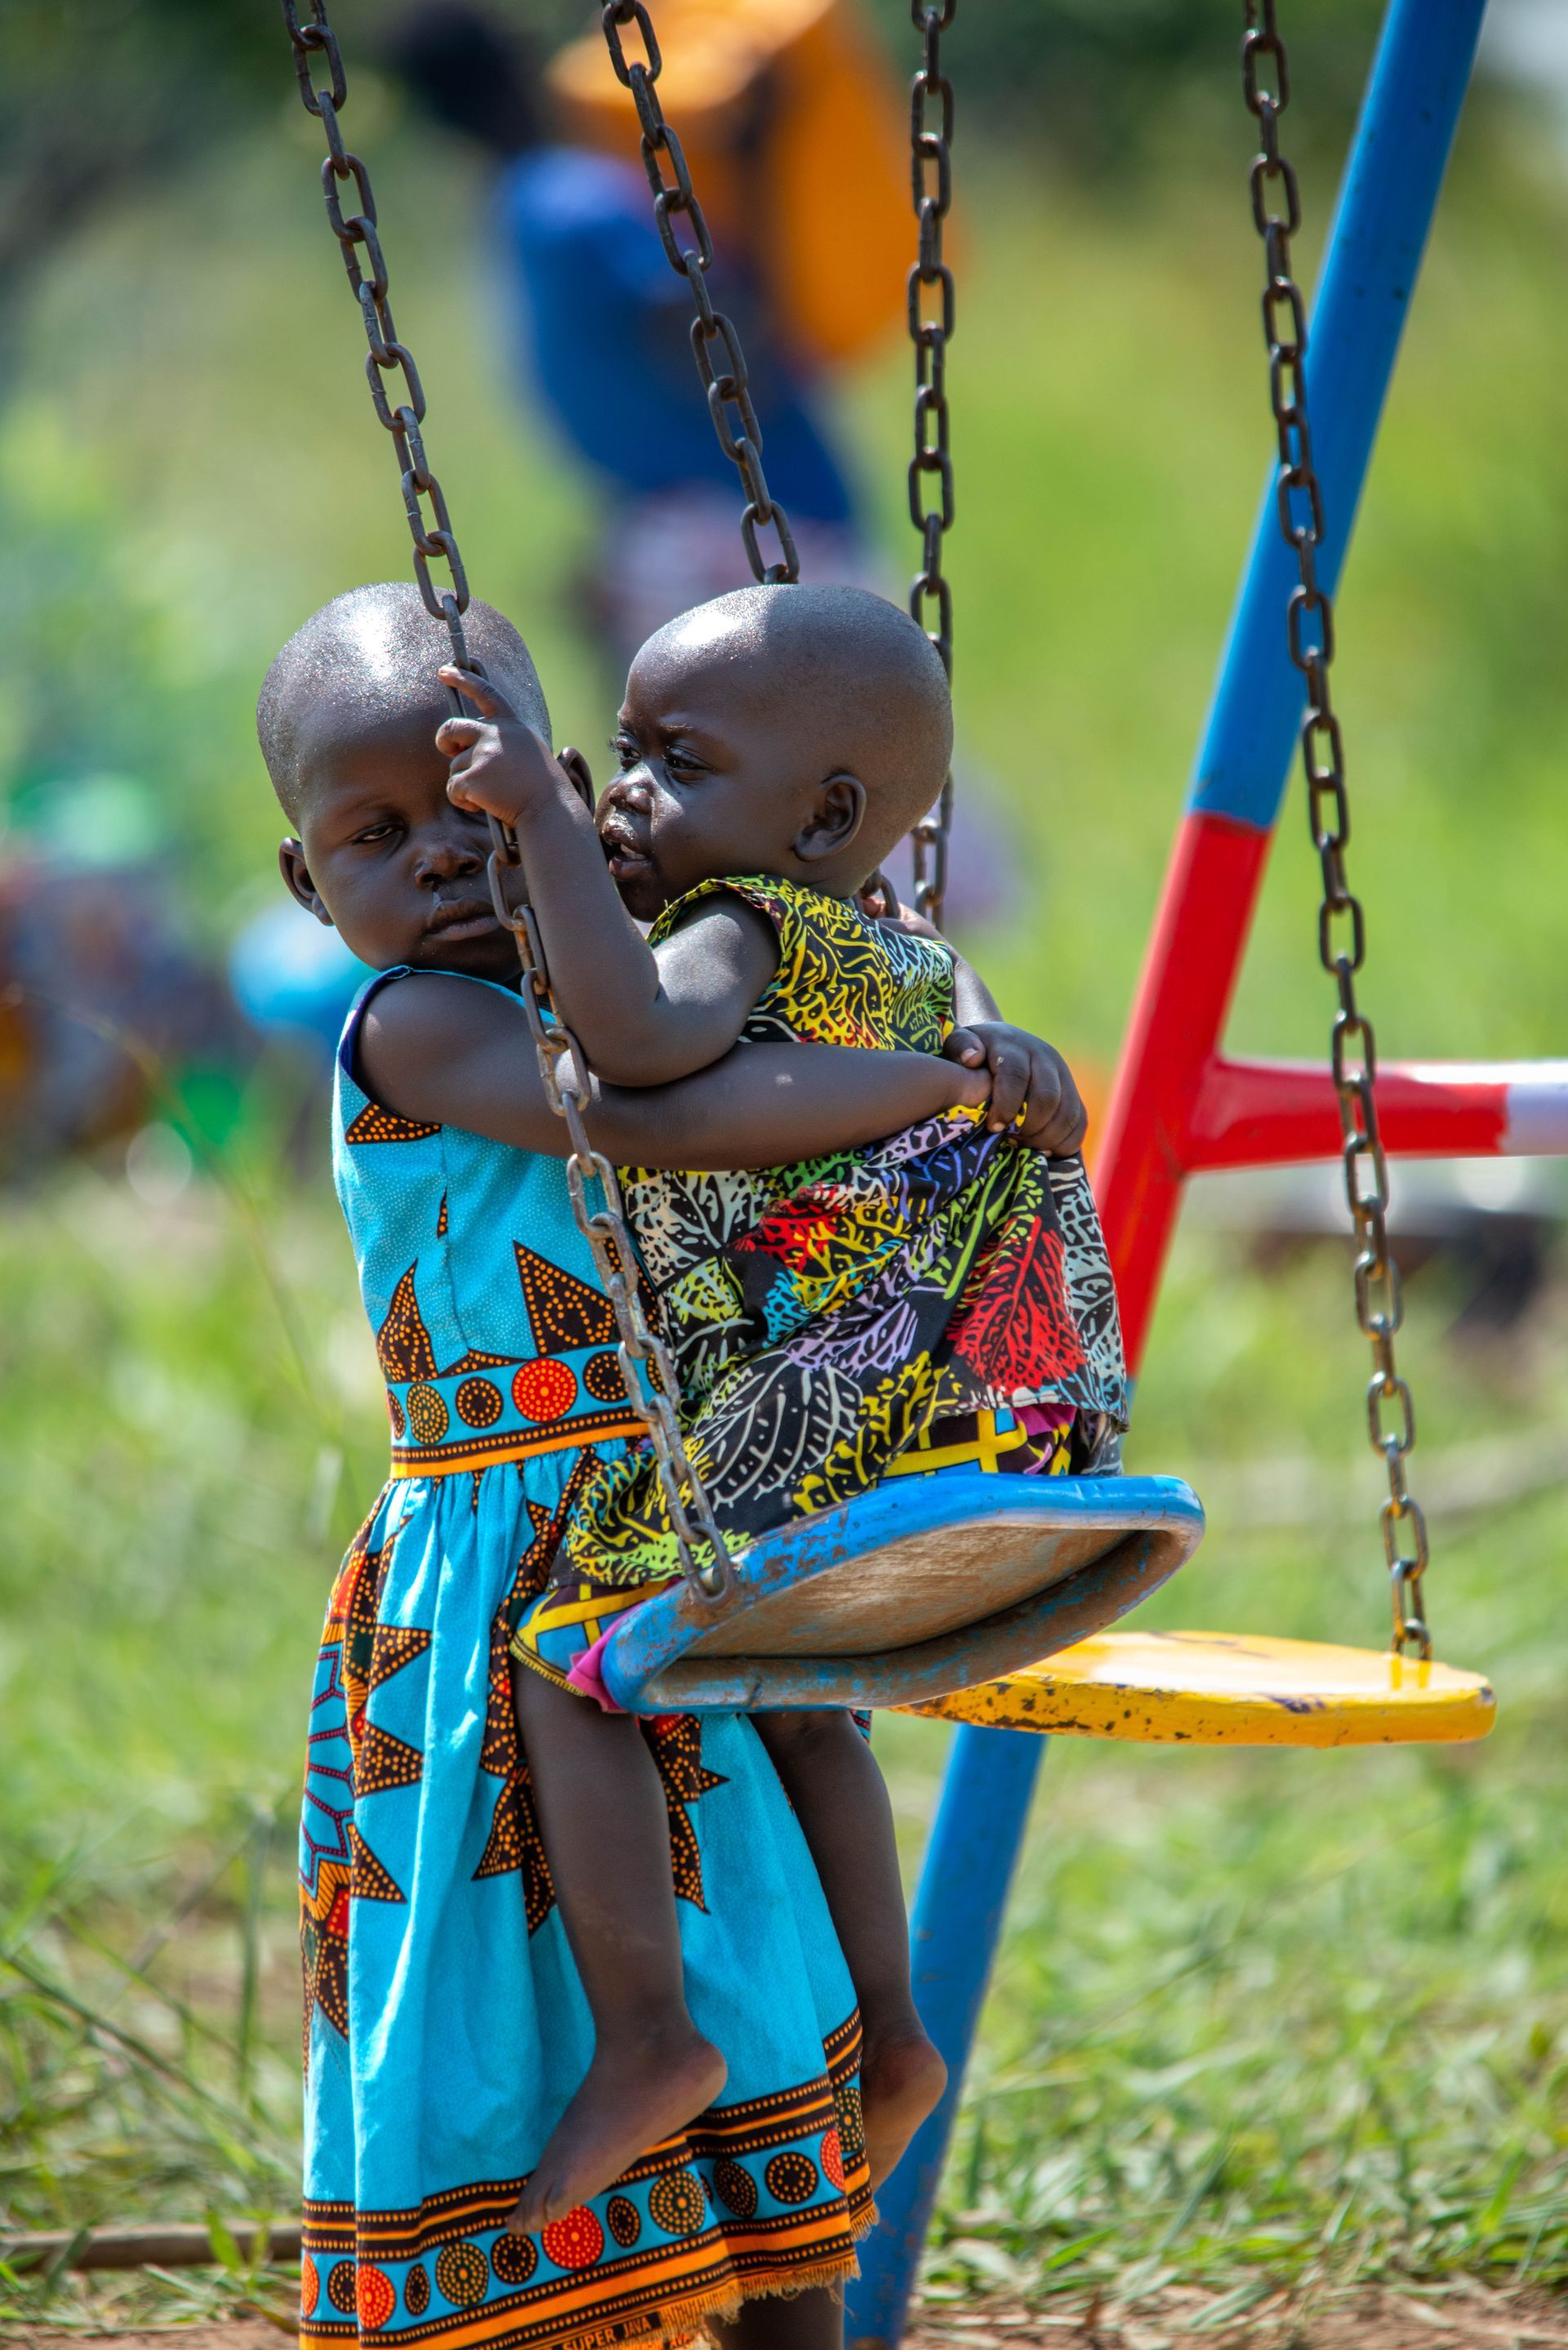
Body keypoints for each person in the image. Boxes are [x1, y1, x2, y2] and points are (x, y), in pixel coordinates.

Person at [263, 581, 1085, 2350]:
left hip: (669, 1509)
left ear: (554, 794)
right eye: (374, 835)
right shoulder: (411, 1028)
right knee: (514, 1941)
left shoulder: (686, 953)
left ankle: (843, 2054)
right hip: (495, 1554)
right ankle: (640, 2081)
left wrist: (963, 1061)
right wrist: (936, 1083)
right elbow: (644, 1108)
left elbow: (748, 1021)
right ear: (304, 885)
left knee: (764, 1877)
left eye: (474, 811)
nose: (438, 863)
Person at [386, 4, 874, 669]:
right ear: (520, 64)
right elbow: (731, 353)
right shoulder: (575, 205)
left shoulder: (519, 213)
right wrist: (759, 162)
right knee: (896, 758)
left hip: (673, 530)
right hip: (757, 536)